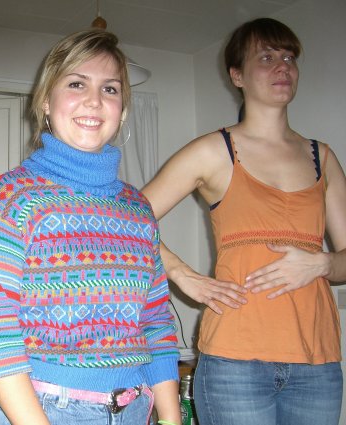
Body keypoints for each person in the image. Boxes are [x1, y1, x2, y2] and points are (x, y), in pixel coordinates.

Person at [0, 29, 180, 425]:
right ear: (46, 100)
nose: (94, 100)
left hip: (135, 409)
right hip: (42, 410)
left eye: (110, 89)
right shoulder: (10, 197)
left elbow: (155, 322)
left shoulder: (138, 208)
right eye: (77, 83)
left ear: (122, 110)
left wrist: (170, 418)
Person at [142, 18, 345, 425]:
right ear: (237, 75)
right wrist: (181, 274)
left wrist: (321, 263)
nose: (282, 66)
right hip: (235, 363)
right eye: (266, 58)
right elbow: (127, 218)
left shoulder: (323, 158)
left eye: (289, 57)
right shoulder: (213, 151)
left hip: (317, 362)